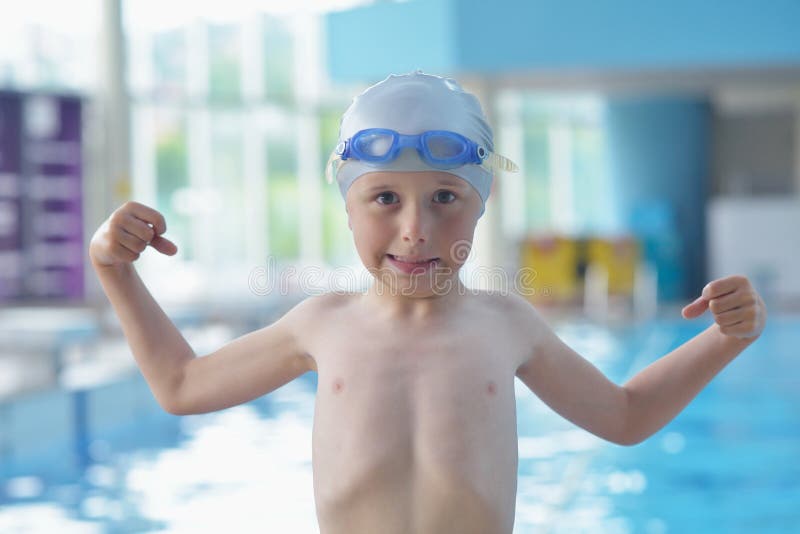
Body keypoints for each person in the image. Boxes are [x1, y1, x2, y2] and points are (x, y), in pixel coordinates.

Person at [89, 71, 767, 534]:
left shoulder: (507, 325)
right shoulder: (321, 324)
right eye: (385, 198)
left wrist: (725, 338)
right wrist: (114, 271)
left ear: (480, 208)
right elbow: (181, 386)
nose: (415, 229)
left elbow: (625, 416)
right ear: (348, 209)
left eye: (445, 197)